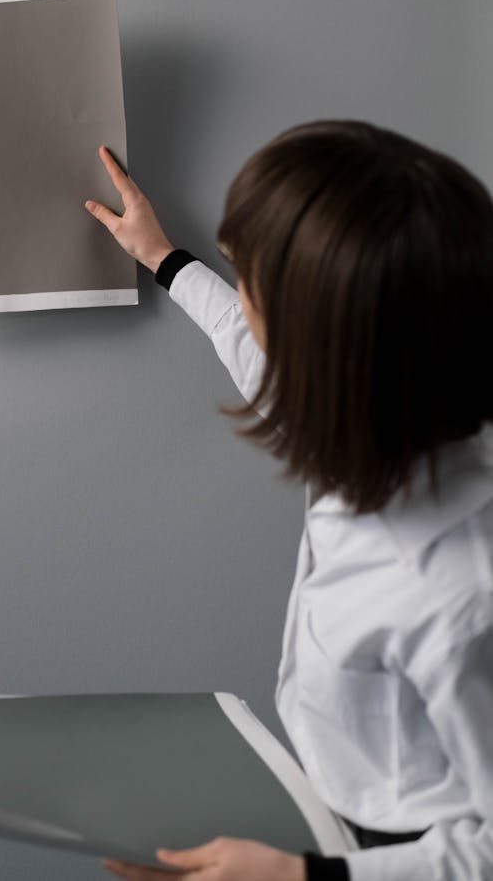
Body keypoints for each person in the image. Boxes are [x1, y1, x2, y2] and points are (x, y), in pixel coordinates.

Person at [83, 121, 493, 881]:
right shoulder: (373, 421)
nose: (245, 309)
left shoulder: (466, 592)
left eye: (254, 291)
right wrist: (166, 261)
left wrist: (303, 877)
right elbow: (250, 349)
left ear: (330, 359)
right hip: (331, 804)